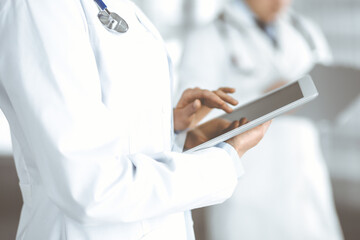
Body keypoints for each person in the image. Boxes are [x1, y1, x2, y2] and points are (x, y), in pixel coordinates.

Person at [0, 1, 271, 240]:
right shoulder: (39, 8)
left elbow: (102, 123)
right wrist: (221, 161)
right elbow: (89, 186)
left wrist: (172, 133)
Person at [177, 0, 343, 239]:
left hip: (305, 182)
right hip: (250, 191)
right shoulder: (207, 39)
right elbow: (193, 122)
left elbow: (328, 86)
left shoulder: (305, 31)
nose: (279, 3)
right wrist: (268, 99)